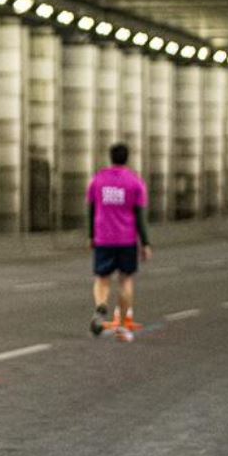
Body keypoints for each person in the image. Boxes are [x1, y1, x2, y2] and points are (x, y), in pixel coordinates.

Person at [87, 142, 152, 340]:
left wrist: (91, 235)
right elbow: (139, 216)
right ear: (127, 158)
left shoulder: (97, 180)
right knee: (125, 281)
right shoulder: (135, 181)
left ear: (110, 157)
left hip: (103, 238)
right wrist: (146, 243)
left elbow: (91, 209)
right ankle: (123, 327)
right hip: (126, 240)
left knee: (102, 279)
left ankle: (100, 306)